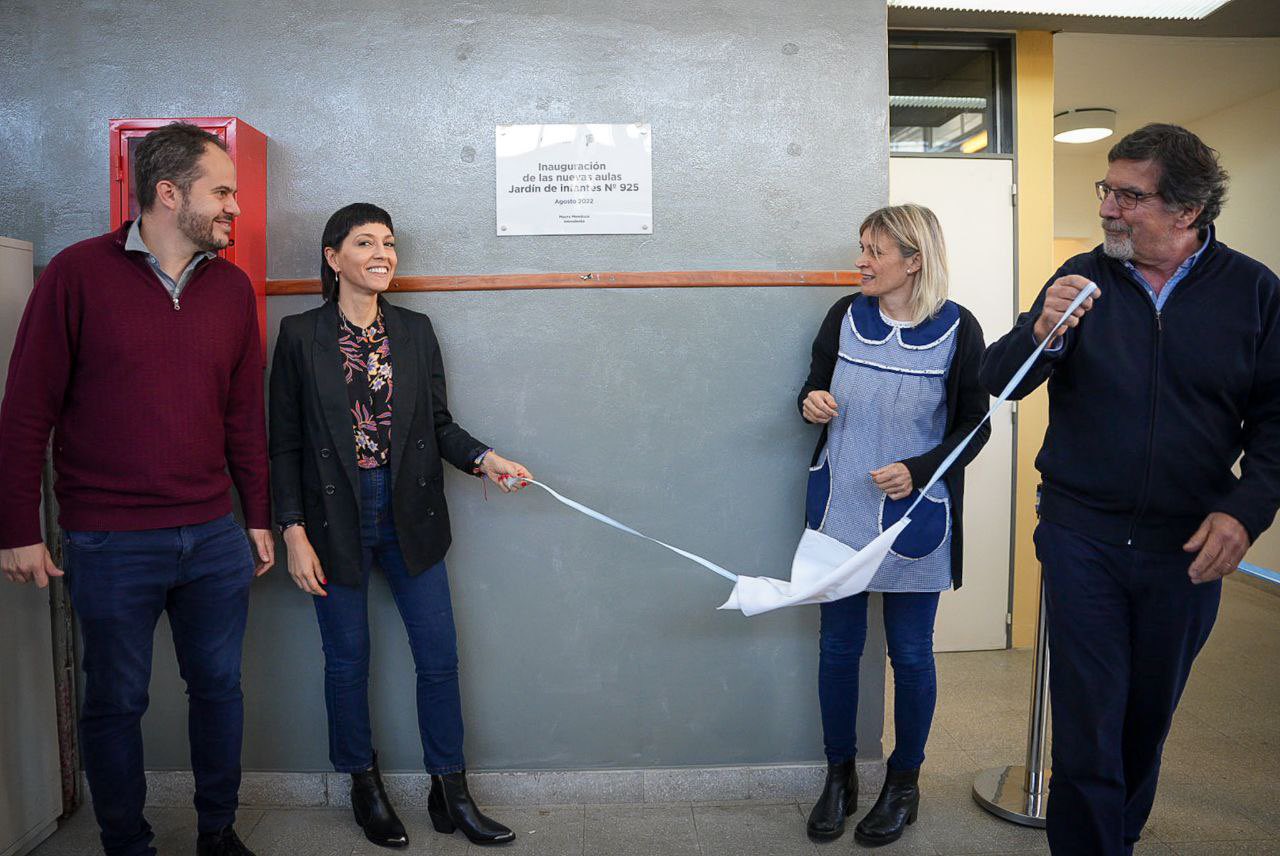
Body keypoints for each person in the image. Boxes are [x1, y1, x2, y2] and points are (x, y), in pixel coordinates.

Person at [980, 123, 1280, 856]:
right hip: (1082, 537)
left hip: (1186, 550)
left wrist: (1245, 511)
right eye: (1106, 190)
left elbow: (1276, 420)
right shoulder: (1080, 279)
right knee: (1087, 723)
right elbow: (997, 382)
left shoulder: (1253, 292)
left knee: (1145, 721)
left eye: (1130, 195)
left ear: (1187, 211)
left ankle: (1120, 835)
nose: (1109, 208)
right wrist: (1038, 333)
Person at [0, 122, 273, 856]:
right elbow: (27, 408)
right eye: (221, 192)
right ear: (167, 192)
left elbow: (245, 416)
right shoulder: (76, 274)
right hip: (110, 539)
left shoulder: (232, 289)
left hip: (214, 534)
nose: (234, 208)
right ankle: (126, 843)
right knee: (116, 702)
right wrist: (17, 527)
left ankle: (218, 833)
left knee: (219, 689)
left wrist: (259, 517)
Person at [269, 203, 531, 849]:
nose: (383, 254)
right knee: (347, 663)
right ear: (334, 259)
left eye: (389, 243)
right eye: (366, 243)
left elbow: (437, 424)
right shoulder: (300, 334)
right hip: (334, 516)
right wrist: (293, 531)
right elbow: (283, 445)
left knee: (439, 660)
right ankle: (366, 788)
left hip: (409, 511)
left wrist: (484, 459)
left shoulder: (415, 330)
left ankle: (452, 792)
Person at [797, 203, 991, 845]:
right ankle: (840, 776)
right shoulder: (842, 317)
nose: (861, 261)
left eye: (874, 251)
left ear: (915, 260)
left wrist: (921, 468)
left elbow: (975, 425)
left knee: (910, 655)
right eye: (862, 248)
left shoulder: (961, 330)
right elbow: (811, 388)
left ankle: (903, 783)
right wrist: (811, 402)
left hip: (914, 516)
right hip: (840, 510)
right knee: (837, 650)